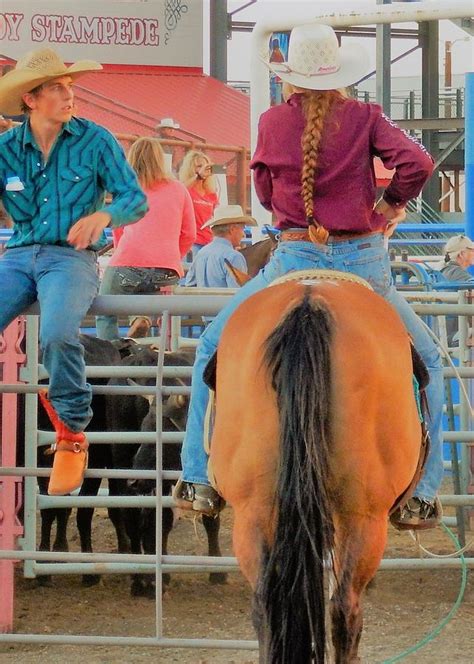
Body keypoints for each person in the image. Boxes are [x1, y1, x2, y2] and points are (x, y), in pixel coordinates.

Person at [173, 24, 444, 530]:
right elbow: (418, 161)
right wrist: (385, 206)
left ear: (291, 78)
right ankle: (423, 493)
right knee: (429, 361)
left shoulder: (273, 120)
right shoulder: (366, 117)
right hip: (364, 261)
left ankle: (197, 476)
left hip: (294, 258)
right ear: (339, 73)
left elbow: (266, 193)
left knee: (211, 347)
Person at [0, 48, 148, 495]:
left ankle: (70, 434)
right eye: (59, 89)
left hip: (71, 257)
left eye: (70, 87)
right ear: (32, 99)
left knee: (60, 333)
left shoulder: (96, 139)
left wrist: (105, 217)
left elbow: (134, 199)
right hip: (18, 255)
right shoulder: (5, 149)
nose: (70, 96)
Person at [96, 136, 196, 340]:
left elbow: (118, 229)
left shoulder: (127, 190)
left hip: (129, 262)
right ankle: (142, 319)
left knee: (104, 308)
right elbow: (190, 233)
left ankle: (112, 358)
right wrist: (173, 256)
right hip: (167, 269)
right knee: (146, 289)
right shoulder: (179, 189)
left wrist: (120, 252)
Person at [185, 205, 255, 289]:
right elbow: (237, 294)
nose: (243, 234)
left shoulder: (201, 253)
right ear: (232, 229)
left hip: (202, 301)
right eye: (242, 229)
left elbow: (189, 285)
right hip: (224, 302)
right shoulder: (234, 257)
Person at [178, 150, 219, 256]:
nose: (204, 169)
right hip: (191, 243)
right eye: (199, 166)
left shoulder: (211, 194)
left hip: (209, 242)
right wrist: (198, 176)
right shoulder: (187, 190)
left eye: (206, 166)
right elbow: (179, 192)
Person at [440, 234, 474, 345]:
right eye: (471, 250)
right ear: (462, 254)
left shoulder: (446, 270)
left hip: (445, 334)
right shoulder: (457, 274)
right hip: (453, 335)